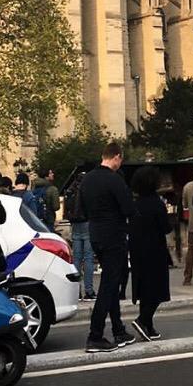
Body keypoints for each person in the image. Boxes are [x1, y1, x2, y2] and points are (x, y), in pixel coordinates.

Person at [79, 141, 135, 353]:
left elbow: (81, 210)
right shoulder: (114, 180)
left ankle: (119, 329)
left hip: (96, 234)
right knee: (110, 284)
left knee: (110, 281)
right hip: (114, 235)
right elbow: (128, 208)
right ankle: (95, 334)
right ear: (117, 157)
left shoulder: (87, 179)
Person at [130, 165, 172, 340]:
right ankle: (143, 319)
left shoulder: (135, 204)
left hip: (137, 250)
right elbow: (166, 228)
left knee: (144, 289)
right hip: (155, 250)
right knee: (158, 289)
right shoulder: (157, 203)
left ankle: (149, 326)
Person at [64, 172, 96, 302]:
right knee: (88, 258)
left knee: (76, 258)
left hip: (75, 225)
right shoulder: (89, 190)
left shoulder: (70, 190)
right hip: (87, 223)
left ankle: (76, 290)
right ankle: (89, 290)